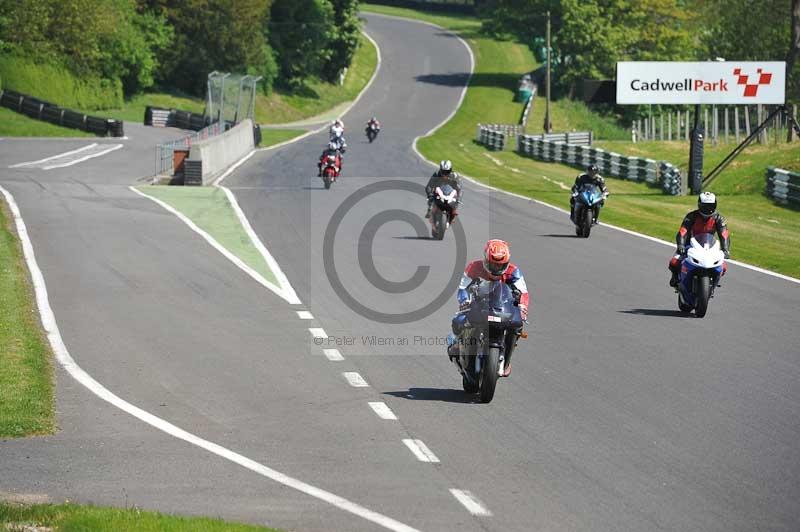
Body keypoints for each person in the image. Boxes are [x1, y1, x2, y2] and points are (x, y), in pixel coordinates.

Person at [447, 239, 529, 377]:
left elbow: (523, 292)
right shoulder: (474, 267)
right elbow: (462, 288)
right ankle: (457, 344)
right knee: (458, 321)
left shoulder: (513, 271)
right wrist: (464, 301)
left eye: (500, 265)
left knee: (517, 326)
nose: (496, 268)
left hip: (502, 307)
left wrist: (523, 307)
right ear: (485, 259)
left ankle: (507, 358)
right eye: (493, 264)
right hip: (479, 304)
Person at [668, 191, 731, 287]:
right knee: (674, 262)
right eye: (705, 206)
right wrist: (681, 245)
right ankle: (675, 277)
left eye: (710, 206)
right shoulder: (691, 216)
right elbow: (682, 231)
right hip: (690, 245)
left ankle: (713, 283)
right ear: (699, 205)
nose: (708, 209)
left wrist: (725, 249)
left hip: (710, 246)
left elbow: (724, 234)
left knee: (723, 267)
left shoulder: (718, 218)